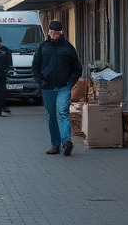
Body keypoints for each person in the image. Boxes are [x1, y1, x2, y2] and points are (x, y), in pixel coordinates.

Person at [32, 20, 81, 156]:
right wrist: (40, 82)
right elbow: (35, 67)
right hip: (47, 88)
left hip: (63, 87)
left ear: (61, 32)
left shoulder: (68, 48)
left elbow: (77, 69)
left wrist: (70, 83)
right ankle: (55, 144)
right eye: (52, 33)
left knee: (62, 112)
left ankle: (66, 141)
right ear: (48, 32)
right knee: (52, 116)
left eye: (57, 33)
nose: (54, 36)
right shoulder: (43, 47)